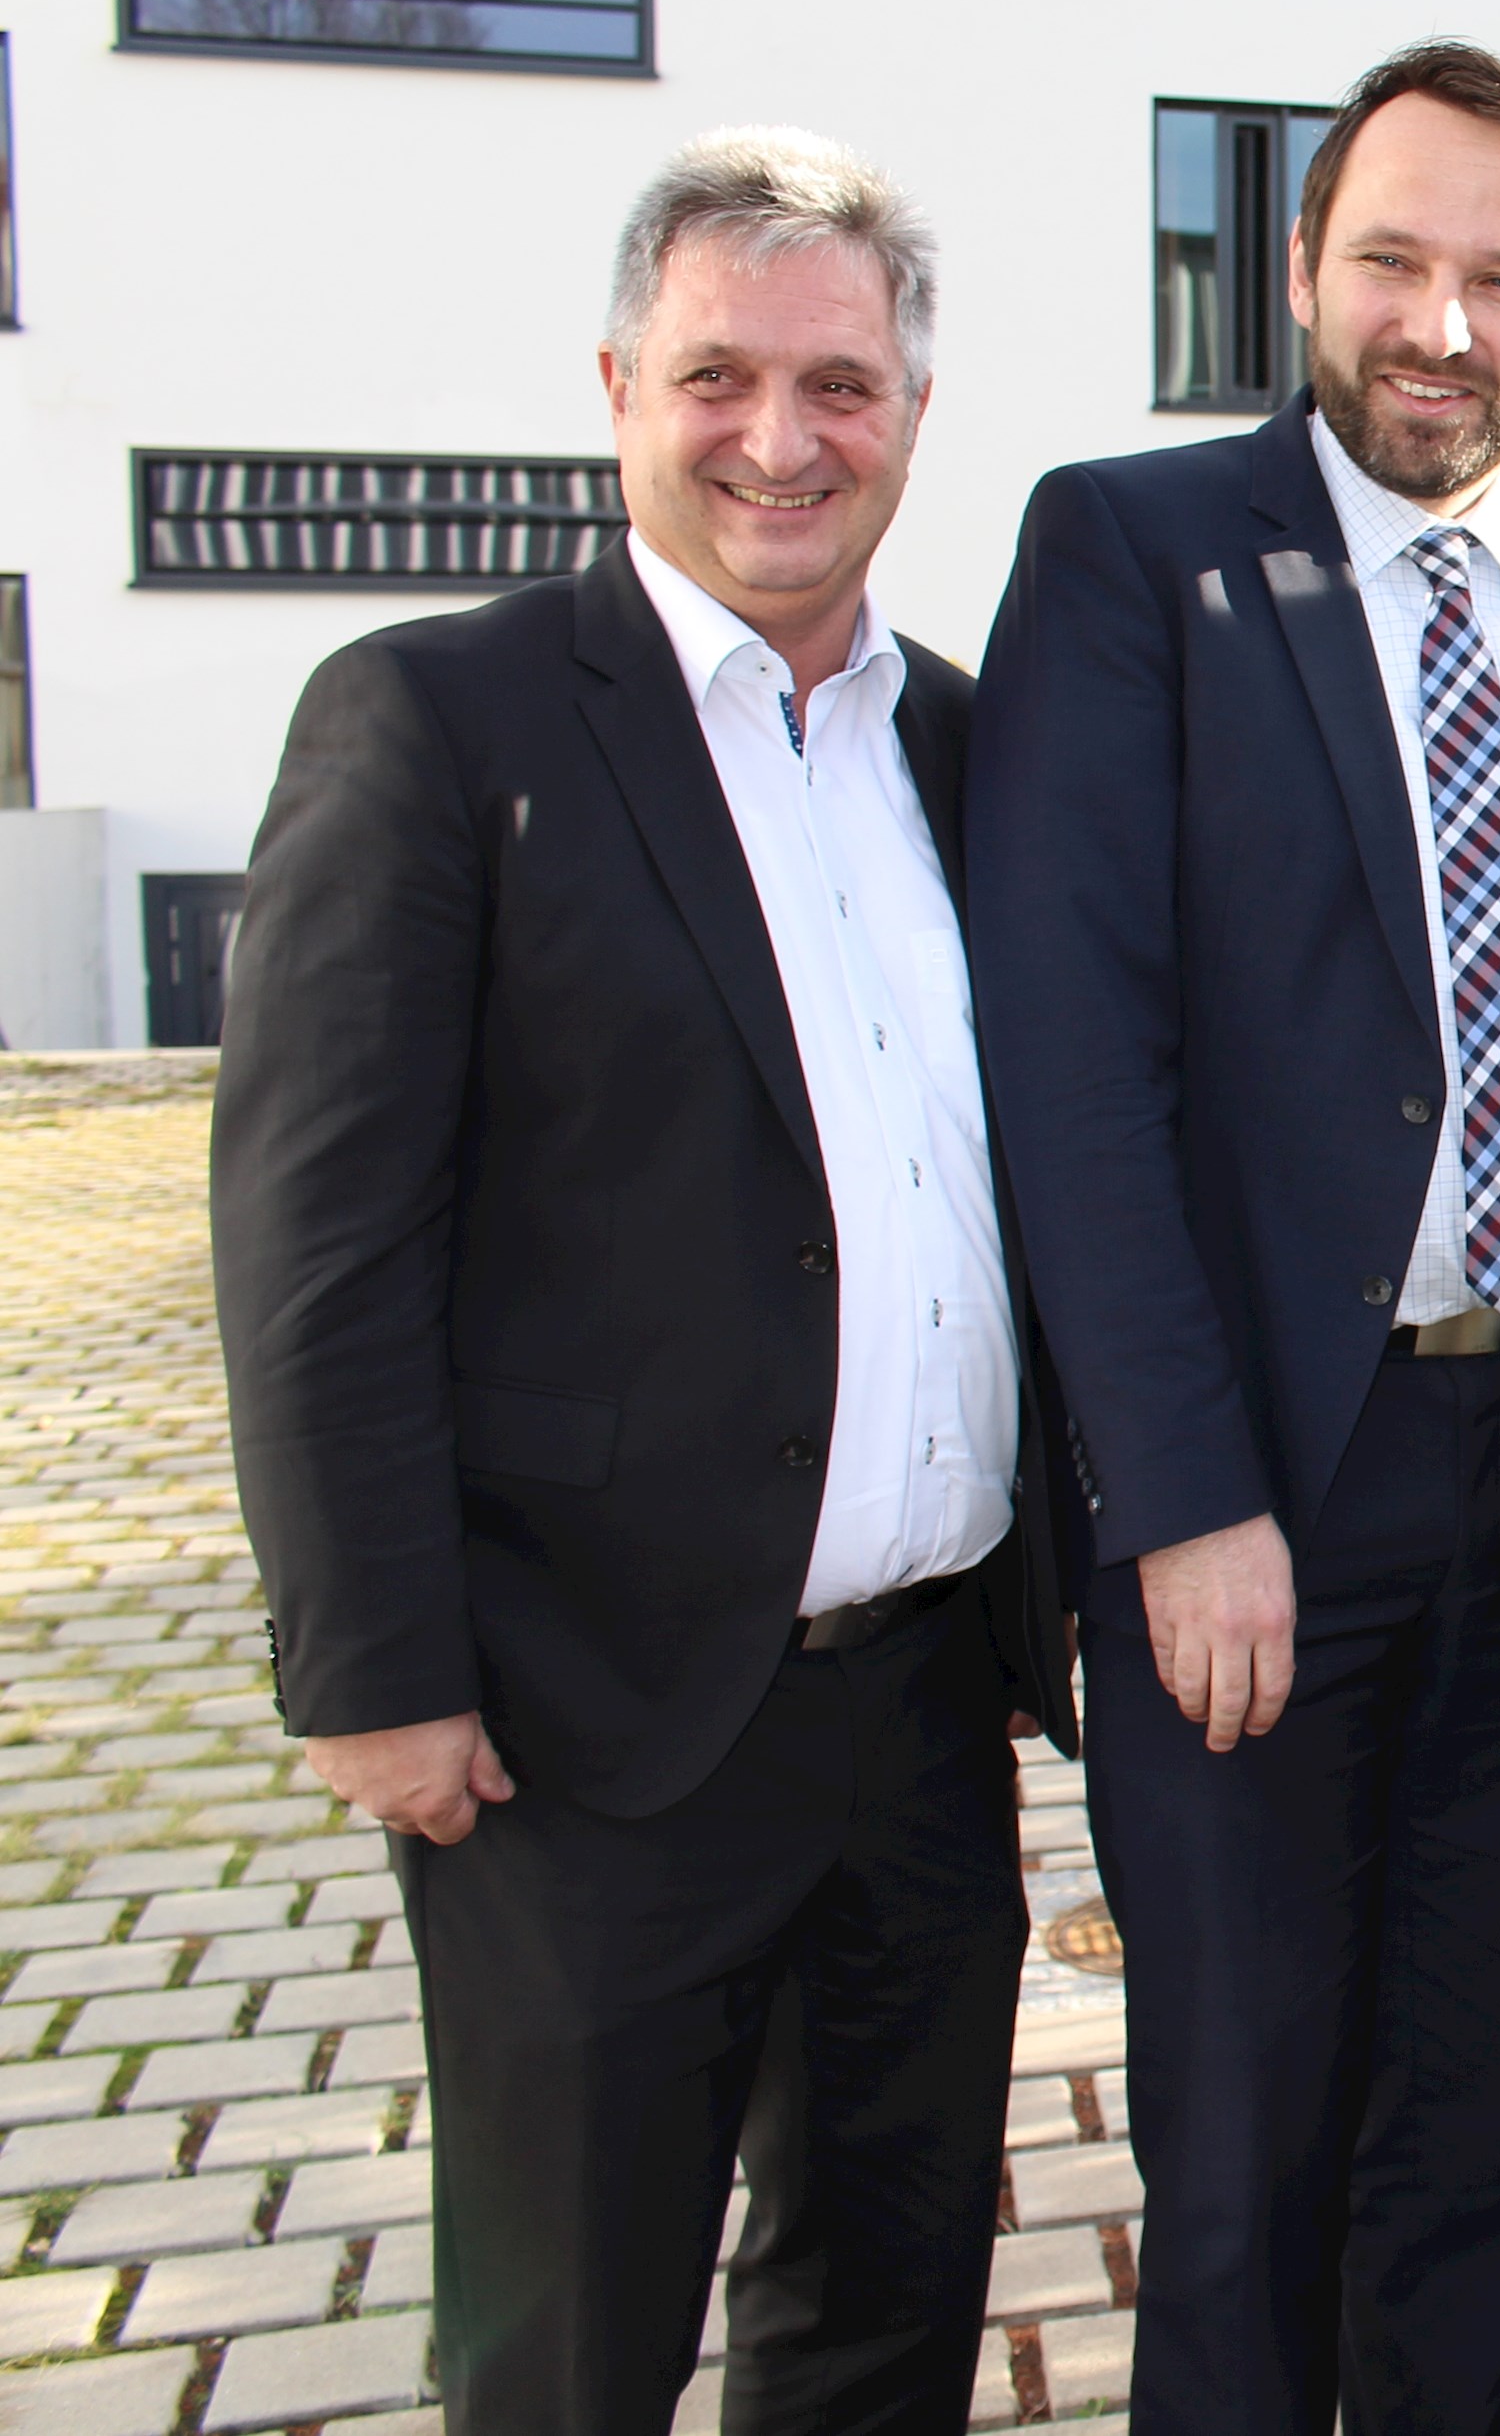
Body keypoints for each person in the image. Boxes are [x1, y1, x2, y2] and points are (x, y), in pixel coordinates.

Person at [213, 129, 1074, 2433]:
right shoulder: (439, 723)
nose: (780, 440)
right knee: (569, 2337)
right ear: (616, 386)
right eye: (719, 377)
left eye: (840, 385)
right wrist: (373, 1668)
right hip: (578, 1726)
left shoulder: (980, 748)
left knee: (881, 2309)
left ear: (909, 409)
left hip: (915, 1718)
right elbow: (317, 1240)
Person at [968, 39, 1500, 2436]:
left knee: (1487, 2139)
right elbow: (1072, 1068)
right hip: (1261, 1492)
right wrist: (1178, 1496)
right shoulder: (1135, 555)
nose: (1442, 319)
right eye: (1392, 258)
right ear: (1301, 270)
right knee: (1246, 2152)